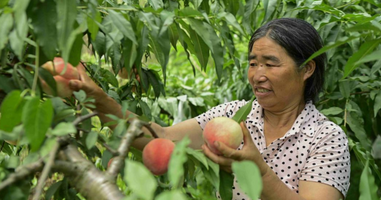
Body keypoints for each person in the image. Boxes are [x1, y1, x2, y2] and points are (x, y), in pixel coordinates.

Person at [68, 18, 350, 200]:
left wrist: (258, 172)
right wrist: (100, 101)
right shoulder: (234, 116)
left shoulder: (326, 137)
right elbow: (160, 139)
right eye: (253, 63)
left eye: (271, 63)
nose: (257, 74)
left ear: (307, 69)